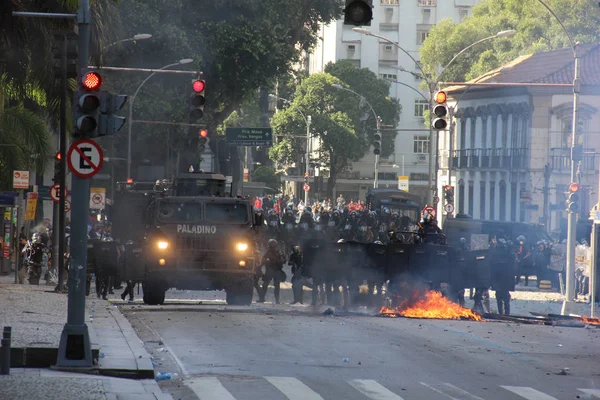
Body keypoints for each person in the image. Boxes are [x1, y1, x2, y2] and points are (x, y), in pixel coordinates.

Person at [258, 239, 286, 304]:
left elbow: (284, 261)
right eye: (272, 245)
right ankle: (262, 298)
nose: (273, 247)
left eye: (274, 245)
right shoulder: (269, 252)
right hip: (270, 270)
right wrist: (261, 266)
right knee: (266, 285)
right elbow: (263, 260)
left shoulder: (279, 252)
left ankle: (276, 300)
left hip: (276, 270)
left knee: (275, 285)